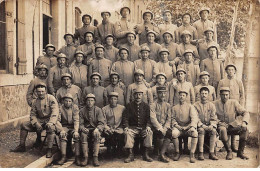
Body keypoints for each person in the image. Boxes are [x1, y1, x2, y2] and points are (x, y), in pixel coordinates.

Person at [11, 83, 60, 158]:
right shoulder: (35, 101)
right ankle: (22, 146)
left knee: (51, 128)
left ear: (46, 91)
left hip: (50, 120)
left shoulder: (51, 98)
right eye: (39, 92)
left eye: (42, 91)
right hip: (40, 121)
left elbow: (55, 112)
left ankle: (49, 149)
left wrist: (51, 122)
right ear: (36, 92)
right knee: (24, 125)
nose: (41, 93)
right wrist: (36, 123)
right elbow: (32, 114)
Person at [214, 87, 250, 160]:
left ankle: (240, 152)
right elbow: (211, 116)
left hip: (231, 126)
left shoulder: (234, 102)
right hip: (220, 127)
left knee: (245, 129)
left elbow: (245, 112)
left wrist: (244, 122)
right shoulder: (214, 104)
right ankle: (229, 151)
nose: (225, 97)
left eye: (227, 95)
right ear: (220, 95)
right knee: (223, 129)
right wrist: (219, 122)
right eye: (223, 95)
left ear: (229, 95)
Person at [123, 88, 153, 163]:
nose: (138, 96)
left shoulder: (146, 106)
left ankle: (146, 154)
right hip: (133, 128)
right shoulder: (129, 106)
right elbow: (125, 118)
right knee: (127, 133)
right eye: (136, 94)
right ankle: (130, 154)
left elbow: (149, 118)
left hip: (143, 128)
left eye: (140, 94)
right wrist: (126, 126)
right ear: (133, 95)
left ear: (142, 96)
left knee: (149, 132)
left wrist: (148, 126)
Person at [171, 89, 199, 163]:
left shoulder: (190, 107)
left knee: (195, 133)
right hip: (179, 128)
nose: (182, 97)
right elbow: (172, 119)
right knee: (174, 133)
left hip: (188, 127)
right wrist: (177, 126)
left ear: (186, 97)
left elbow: (194, 118)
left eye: (183, 95)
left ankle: (192, 153)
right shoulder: (174, 107)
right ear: (178, 96)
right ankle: (177, 152)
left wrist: (190, 126)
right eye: (180, 95)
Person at [79, 93, 105, 166]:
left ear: (94, 102)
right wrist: (82, 128)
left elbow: (101, 122)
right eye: (88, 100)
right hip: (86, 129)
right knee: (83, 135)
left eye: (91, 100)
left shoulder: (98, 110)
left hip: (95, 129)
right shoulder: (82, 111)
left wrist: (97, 129)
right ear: (85, 101)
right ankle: (85, 157)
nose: (90, 102)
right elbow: (80, 123)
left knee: (97, 134)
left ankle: (95, 157)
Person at [194, 87, 218, 160]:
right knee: (201, 130)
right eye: (202, 93)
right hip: (200, 126)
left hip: (209, 125)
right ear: (199, 95)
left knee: (213, 131)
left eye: (205, 93)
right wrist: (202, 125)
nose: (204, 95)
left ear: (208, 95)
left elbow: (214, 117)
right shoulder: (195, 105)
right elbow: (195, 118)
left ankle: (211, 153)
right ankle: (200, 153)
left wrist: (212, 125)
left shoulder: (211, 105)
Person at [56, 93, 81, 165]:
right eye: (66, 101)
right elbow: (57, 120)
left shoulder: (75, 108)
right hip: (64, 126)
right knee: (63, 136)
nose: (68, 103)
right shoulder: (60, 108)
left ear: (72, 102)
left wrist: (76, 131)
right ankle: (63, 156)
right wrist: (61, 130)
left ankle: (77, 157)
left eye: (69, 101)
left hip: (73, 127)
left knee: (77, 136)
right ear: (63, 101)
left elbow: (76, 120)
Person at [150, 86, 172, 162]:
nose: (163, 95)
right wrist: (160, 128)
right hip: (155, 127)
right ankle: (158, 151)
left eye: (164, 93)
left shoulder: (168, 105)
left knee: (169, 133)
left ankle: (161, 154)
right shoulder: (153, 105)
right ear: (157, 94)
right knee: (160, 133)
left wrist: (165, 128)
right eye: (160, 93)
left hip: (164, 127)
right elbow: (153, 119)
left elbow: (169, 119)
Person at [102, 92, 125, 156]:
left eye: (115, 99)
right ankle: (110, 149)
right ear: (109, 100)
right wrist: (107, 128)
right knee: (109, 135)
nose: (113, 101)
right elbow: (103, 121)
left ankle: (119, 150)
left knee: (121, 135)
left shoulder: (122, 108)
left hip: (119, 128)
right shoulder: (104, 109)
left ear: (117, 100)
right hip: (108, 128)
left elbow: (124, 120)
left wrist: (122, 128)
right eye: (111, 99)